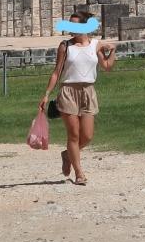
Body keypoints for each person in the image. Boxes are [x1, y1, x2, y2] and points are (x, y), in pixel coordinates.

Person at [40, 11, 116, 185]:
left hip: (88, 91)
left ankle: (67, 155)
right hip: (68, 91)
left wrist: (112, 51)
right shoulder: (65, 46)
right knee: (73, 134)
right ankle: (79, 173)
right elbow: (56, 72)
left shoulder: (95, 45)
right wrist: (46, 94)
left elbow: (106, 66)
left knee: (87, 136)